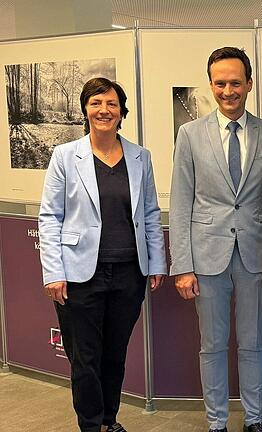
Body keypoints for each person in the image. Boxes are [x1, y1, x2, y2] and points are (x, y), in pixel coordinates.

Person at [38, 77, 166, 432]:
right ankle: (92, 426)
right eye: (96, 103)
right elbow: (50, 216)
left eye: (111, 104)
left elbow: (150, 213)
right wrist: (53, 272)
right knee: (85, 360)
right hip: (80, 276)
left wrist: (156, 262)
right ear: (85, 109)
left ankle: (110, 421)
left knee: (115, 356)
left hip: (128, 273)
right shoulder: (65, 156)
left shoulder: (141, 157)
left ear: (122, 112)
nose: (103, 110)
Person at [169, 47, 262, 432]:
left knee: (253, 343)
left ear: (249, 84)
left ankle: (254, 419)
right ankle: (216, 422)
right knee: (212, 345)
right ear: (211, 85)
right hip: (206, 257)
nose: (228, 90)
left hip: (256, 256)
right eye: (220, 83)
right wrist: (181, 265)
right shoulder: (190, 134)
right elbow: (181, 201)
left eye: (235, 82)